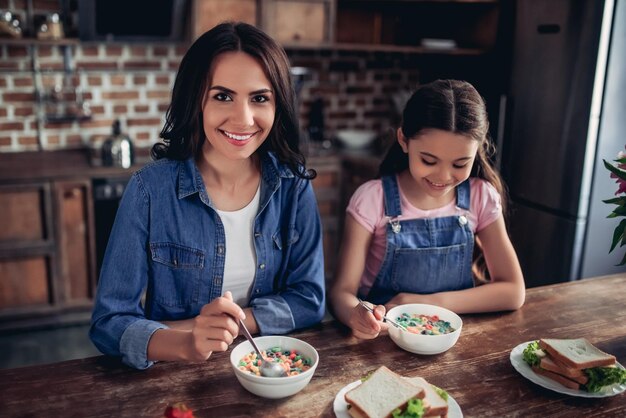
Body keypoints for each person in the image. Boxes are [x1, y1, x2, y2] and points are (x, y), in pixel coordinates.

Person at [90, 22, 326, 369]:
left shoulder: (293, 185)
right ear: (195, 100)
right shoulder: (149, 191)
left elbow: (310, 298)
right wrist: (186, 342)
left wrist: (232, 324)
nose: (243, 119)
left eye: (259, 98)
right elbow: (108, 325)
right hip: (175, 375)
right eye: (223, 96)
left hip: (268, 369)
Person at [329, 79, 525, 339]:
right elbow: (340, 293)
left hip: (451, 343)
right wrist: (356, 314)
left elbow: (513, 291)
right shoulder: (373, 200)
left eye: (460, 164)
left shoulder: (480, 196)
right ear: (404, 140)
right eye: (429, 160)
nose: (443, 176)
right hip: (384, 341)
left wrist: (427, 302)